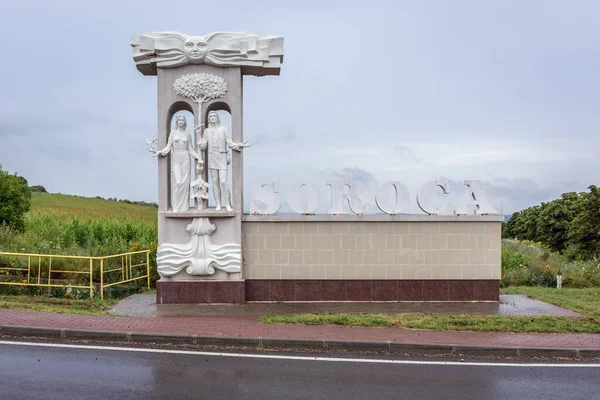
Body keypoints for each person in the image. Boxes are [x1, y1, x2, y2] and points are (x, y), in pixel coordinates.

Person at [198, 111, 250, 211]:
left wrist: (241, 145)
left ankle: (227, 204)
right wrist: (198, 135)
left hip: (222, 157)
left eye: (214, 116)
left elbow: (230, 143)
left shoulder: (223, 129)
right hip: (212, 157)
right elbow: (203, 146)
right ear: (209, 119)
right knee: (215, 182)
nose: (212, 118)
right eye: (210, 116)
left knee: (223, 181)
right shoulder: (207, 131)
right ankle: (218, 204)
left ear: (217, 118)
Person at [151, 114, 201, 212]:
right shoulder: (173, 133)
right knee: (178, 182)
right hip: (176, 158)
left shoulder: (187, 134)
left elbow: (190, 149)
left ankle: (184, 207)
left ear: (184, 122)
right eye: (179, 120)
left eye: (183, 120)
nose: (181, 121)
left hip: (186, 158)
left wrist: (198, 157)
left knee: (185, 183)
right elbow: (168, 147)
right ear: (177, 122)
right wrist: (160, 152)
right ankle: (176, 206)